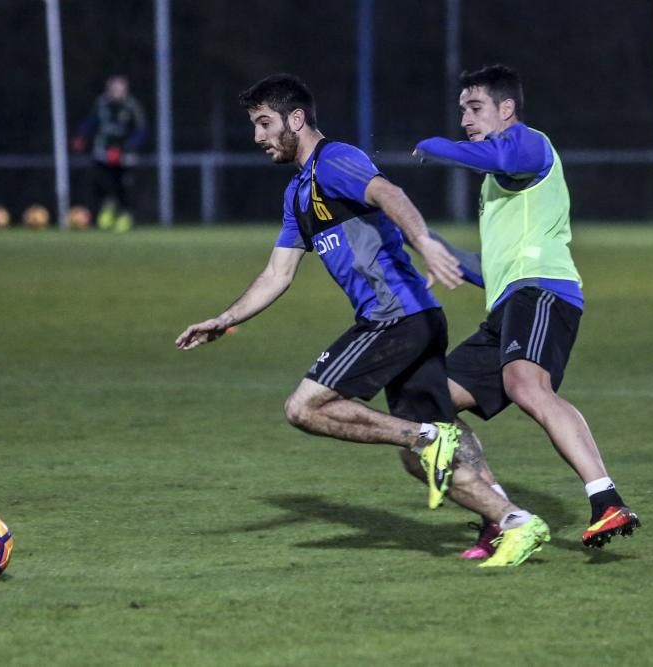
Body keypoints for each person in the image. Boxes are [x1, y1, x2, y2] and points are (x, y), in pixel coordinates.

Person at [176, 73, 551, 568]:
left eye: (265, 123)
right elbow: (277, 273)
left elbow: (389, 193)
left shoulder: (336, 160)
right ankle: (510, 522)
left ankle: (427, 437)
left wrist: (427, 244)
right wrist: (223, 320)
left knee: (305, 407)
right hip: (413, 318)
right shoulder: (297, 193)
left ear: (296, 119)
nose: (258, 137)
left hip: (393, 318)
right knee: (427, 448)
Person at [404, 64, 640, 558]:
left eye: (474, 108)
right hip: (510, 303)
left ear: (505, 109)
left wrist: (432, 144)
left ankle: (606, 501)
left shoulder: (530, 144)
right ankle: (502, 516)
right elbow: (495, 268)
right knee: (424, 408)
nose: (465, 119)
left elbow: (491, 155)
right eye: (461, 110)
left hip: (544, 293)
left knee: (527, 386)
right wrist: (438, 251)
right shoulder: (497, 179)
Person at [71, 75, 146, 232]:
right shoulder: (101, 104)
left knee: (124, 188)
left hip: (124, 157)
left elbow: (140, 132)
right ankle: (106, 213)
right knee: (102, 185)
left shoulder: (131, 106)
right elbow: (91, 122)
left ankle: (125, 216)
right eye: (113, 89)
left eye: (119, 89)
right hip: (103, 154)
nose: (116, 92)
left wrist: (126, 148)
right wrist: (81, 136)